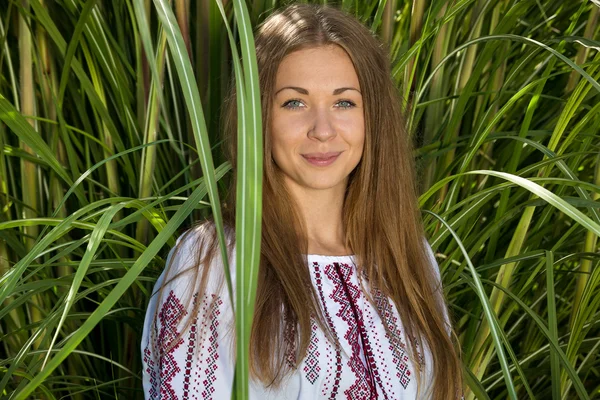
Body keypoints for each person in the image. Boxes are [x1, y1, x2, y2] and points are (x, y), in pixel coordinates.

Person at [141, 3, 461, 399]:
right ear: (260, 116)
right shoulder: (214, 262)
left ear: (372, 118)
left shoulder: (409, 257)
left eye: (344, 102)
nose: (323, 130)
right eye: (295, 102)